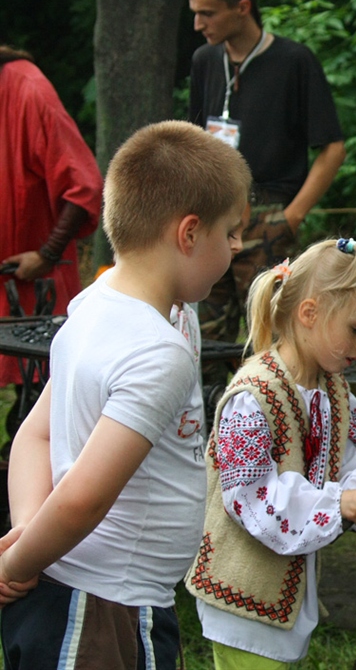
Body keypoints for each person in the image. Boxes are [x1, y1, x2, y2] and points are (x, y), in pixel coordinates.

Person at [0, 120, 251, 669]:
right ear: (189, 234)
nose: (238, 246)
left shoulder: (103, 305)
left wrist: (25, 539)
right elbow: (80, 499)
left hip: (111, 592)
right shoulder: (156, 350)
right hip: (101, 606)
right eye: (231, 232)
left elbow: (35, 433)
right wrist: (19, 558)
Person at [185, 237, 356, 668]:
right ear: (309, 314)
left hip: (285, 601)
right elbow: (250, 496)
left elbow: (344, 464)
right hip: (241, 599)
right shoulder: (252, 397)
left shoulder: (335, 394)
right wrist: (336, 503)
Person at [186, 0, 347, 375]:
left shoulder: (293, 61)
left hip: (268, 214)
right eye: (195, 13)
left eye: (207, 13)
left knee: (273, 341)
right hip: (212, 215)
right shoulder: (205, 60)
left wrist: (291, 217)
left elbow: (333, 148)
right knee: (205, 339)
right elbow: (193, 139)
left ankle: (277, 428)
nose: (197, 24)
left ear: (242, 8)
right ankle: (216, 426)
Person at [0, 45, 102, 439]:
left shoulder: (28, 88)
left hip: (30, 285)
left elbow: (84, 186)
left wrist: (47, 254)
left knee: (41, 416)